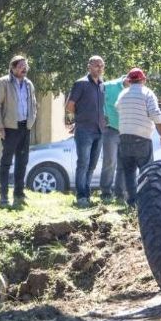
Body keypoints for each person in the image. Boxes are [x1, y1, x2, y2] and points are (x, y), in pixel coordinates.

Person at [115, 67, 161, 207]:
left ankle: (132, 202)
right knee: (146, 171)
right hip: (142, 138)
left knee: (128, 172)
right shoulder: (147, 93)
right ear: (143, 80)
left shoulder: (123, 94)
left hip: (124, 137)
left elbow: (117, 109)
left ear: (129, 81)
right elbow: (155, 114)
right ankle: (145, 202)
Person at [0, 54, 37, 207]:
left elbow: (33, 105)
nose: (25, 69)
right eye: (21, 66)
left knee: (22, 162)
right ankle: (3, 196)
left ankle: (19, 193)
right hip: (9, 128)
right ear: (13, 68)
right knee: (6, 162)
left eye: (26, 66)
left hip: (25, 127)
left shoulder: (29, 84)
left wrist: (31, 121)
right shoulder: (4, 82)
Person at [66, 55, 106, 208]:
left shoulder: (103, 85)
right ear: (89, 66)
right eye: (96, 65)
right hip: (84, 130)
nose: (99, 68)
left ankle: (87, 194)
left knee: (92, 165)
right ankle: (81, 195)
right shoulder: (81, 83)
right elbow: (70, 106)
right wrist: (81, 117)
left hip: (99, 130)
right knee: (83, 163)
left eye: (101, 65)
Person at [100, 73, 129, 202]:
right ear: (128, 79)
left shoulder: (135, 90)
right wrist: (102, 115)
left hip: (126, 132)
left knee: (123, 164)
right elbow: (97, 100)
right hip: (111, 129)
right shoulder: (108, 86)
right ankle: (106, 192)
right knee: (109, 162)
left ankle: (120, 194)